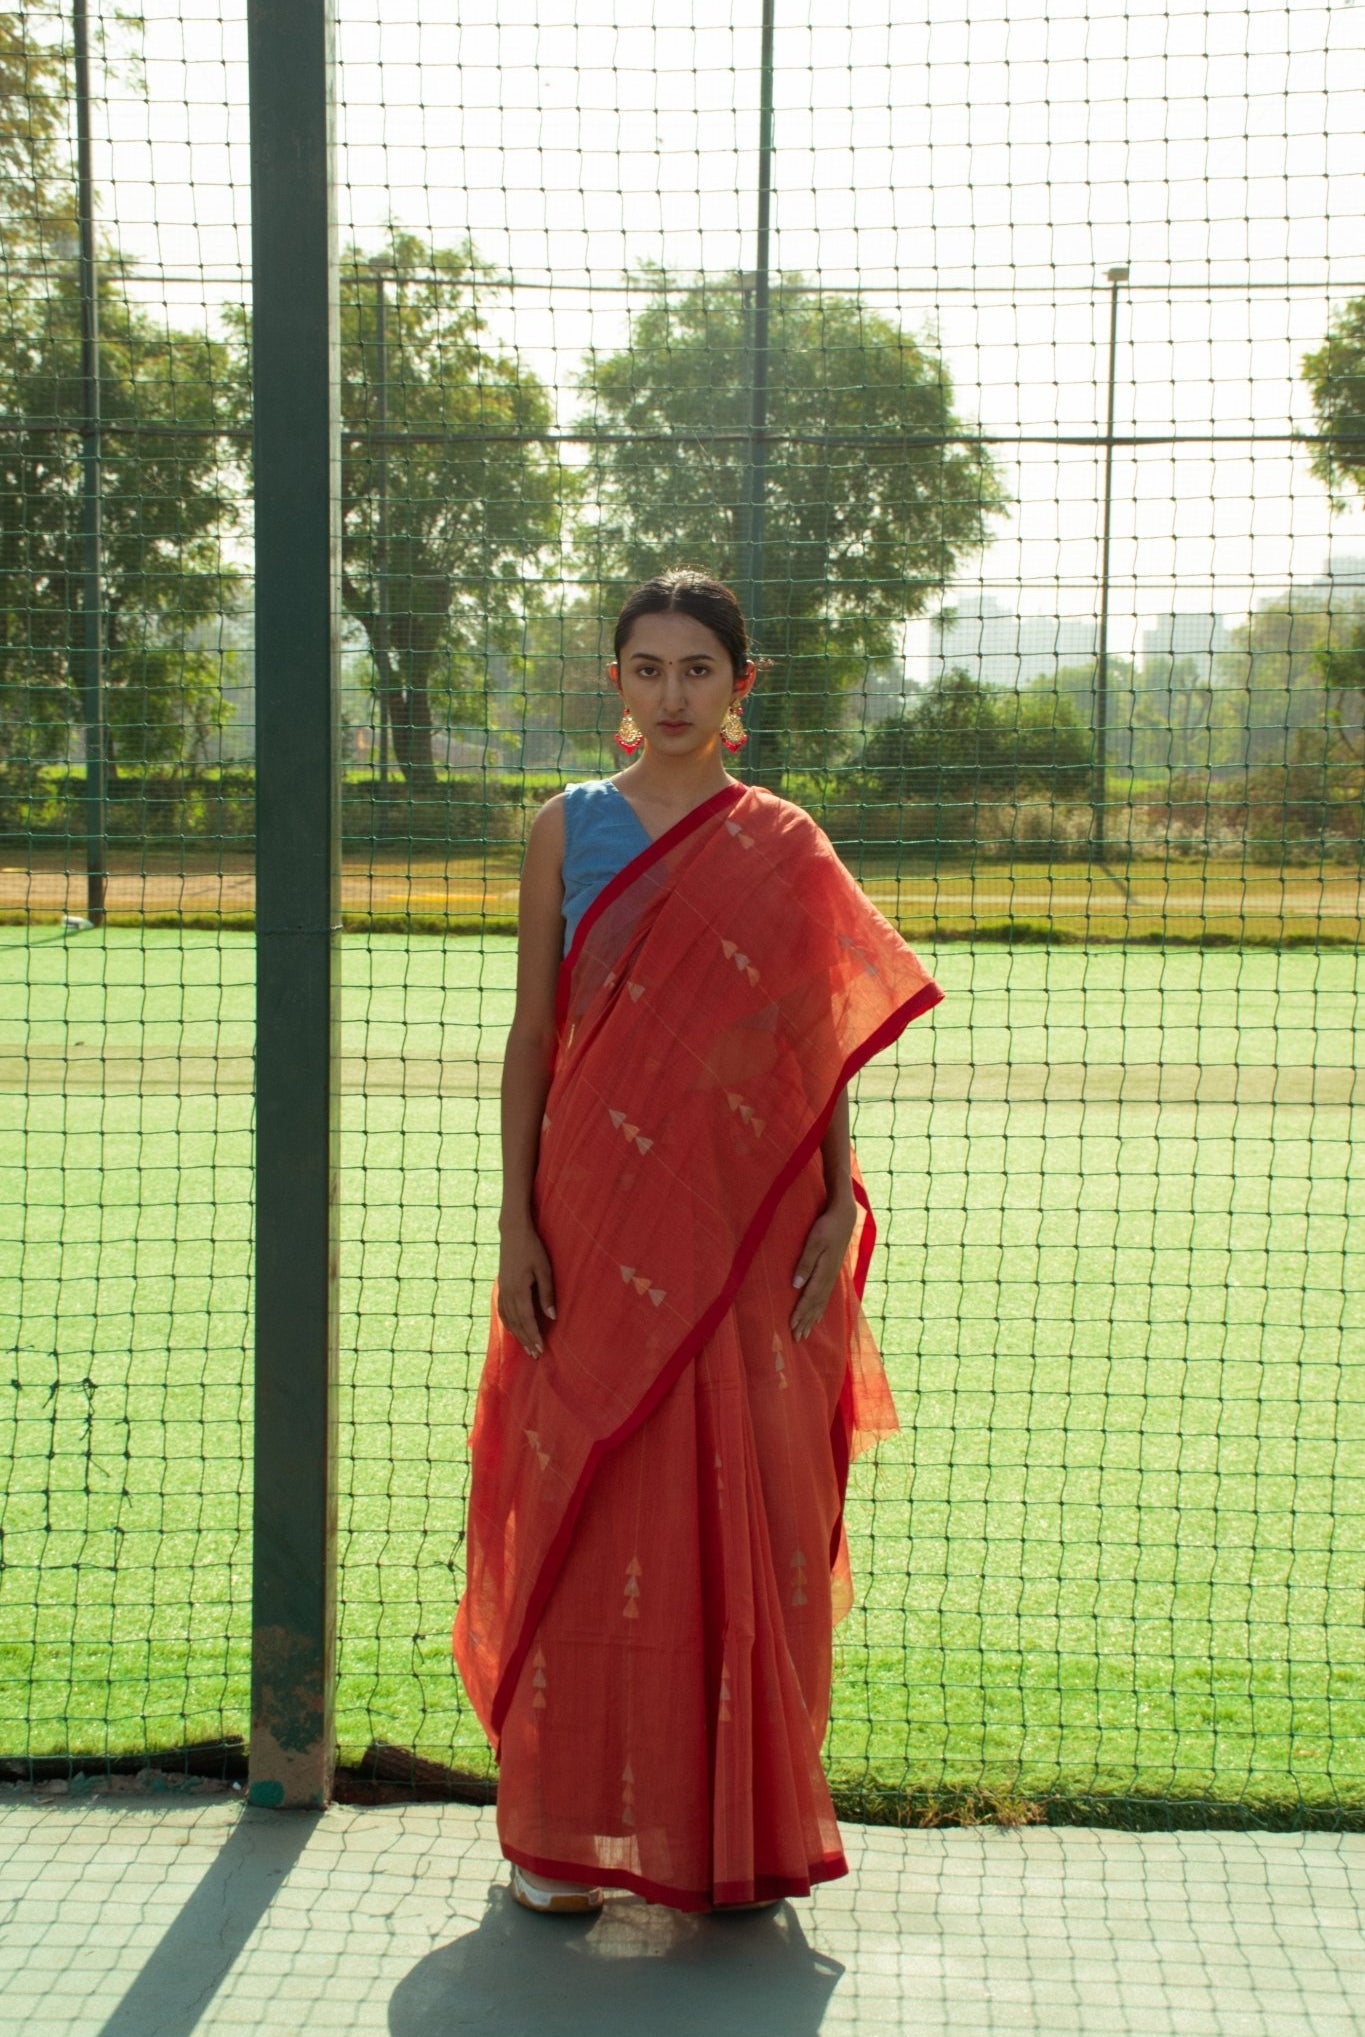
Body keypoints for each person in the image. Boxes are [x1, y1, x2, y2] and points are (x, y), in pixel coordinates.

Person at [453, 570, 942, 1916]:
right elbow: (532, 1039)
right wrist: (515, 1220)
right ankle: (564, 1834)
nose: (671, 693)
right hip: (591, 1210)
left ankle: (731, 1826)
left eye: (696, 670)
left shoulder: (784, 841)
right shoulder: (564, 830)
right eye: (645, 668)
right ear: (614, 685)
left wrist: (836, 1199)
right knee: (584, 1489)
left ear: (740, 689)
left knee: (741, 1499)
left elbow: (812, 1044)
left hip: (746, 1223)